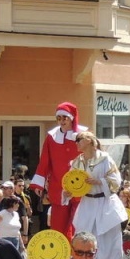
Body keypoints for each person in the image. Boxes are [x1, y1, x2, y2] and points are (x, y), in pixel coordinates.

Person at [67, 131, 129, 259]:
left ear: (89, 140)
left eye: (79, 139)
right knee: (84, 246)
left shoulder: (104, 159)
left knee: (109, 250)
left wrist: (98, 181)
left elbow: (116, 181)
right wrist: (68, 190)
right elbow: (71, 181)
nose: (76, 143)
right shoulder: (77, 162)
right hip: (87, 206)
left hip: (105, 206)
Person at [30, 102, 87, 240]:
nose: (61, 121)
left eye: (64, 118)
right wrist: (39, 184)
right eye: (59, 118)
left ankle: (77, 255)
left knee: (78, 226)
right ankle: (61, 257)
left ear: (72, 118)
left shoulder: (84, 135)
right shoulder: (51, 137)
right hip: (58, 187)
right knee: (58, 226)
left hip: (80, 187)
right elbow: (44, 161)